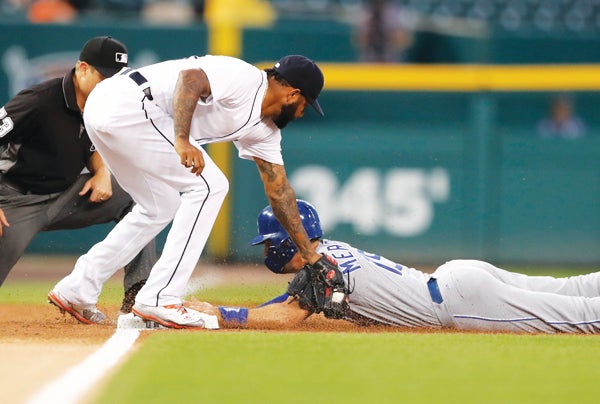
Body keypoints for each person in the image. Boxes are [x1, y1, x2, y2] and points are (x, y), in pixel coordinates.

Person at [49, 53, 337, 329]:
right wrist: (182, 139)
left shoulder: (264, 131)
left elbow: (280, 192)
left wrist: (309, 254)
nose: (302, 113)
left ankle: (78, 288)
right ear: (293, 94)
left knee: (159, 206)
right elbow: (190, 79)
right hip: (125, 103)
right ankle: (161, 298)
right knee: (211, 186)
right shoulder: (246, 78)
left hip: (112, 113)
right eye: (305, 105)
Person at [189, 200, 600, 334]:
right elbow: (293, 298)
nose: (267, 253)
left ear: (290, 240)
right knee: (569, 290)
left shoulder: (322, 266)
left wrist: (223, 316)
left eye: (271, 244)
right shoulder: (327, 254)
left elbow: (288, 313)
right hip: (456, 280)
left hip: (459, 301)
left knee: (575, 317)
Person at [0, 36, 156, 322]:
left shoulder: (103, 103)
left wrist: (101, 172)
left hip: (65, 196)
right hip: (15, 200)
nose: (110, 83)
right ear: (82, 68)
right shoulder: (38, 100)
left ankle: (139, 299)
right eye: (104, 76)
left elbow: (91, 145)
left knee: (141, 200)